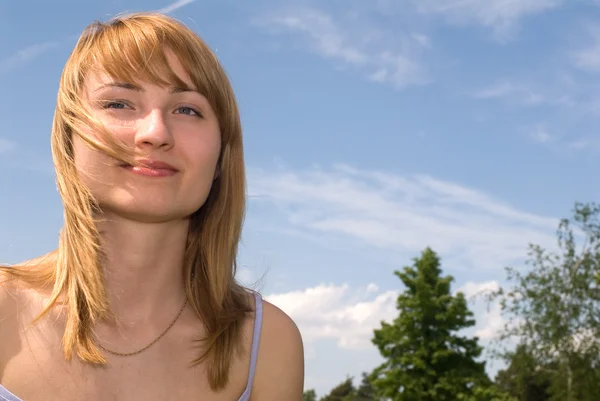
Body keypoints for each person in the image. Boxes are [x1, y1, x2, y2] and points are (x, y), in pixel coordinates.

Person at [0, 12, 304, 401]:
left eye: (187, 109)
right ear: (69, 140)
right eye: (119, 104)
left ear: (221, 157)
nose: (155, 133)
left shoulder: (268, 345)